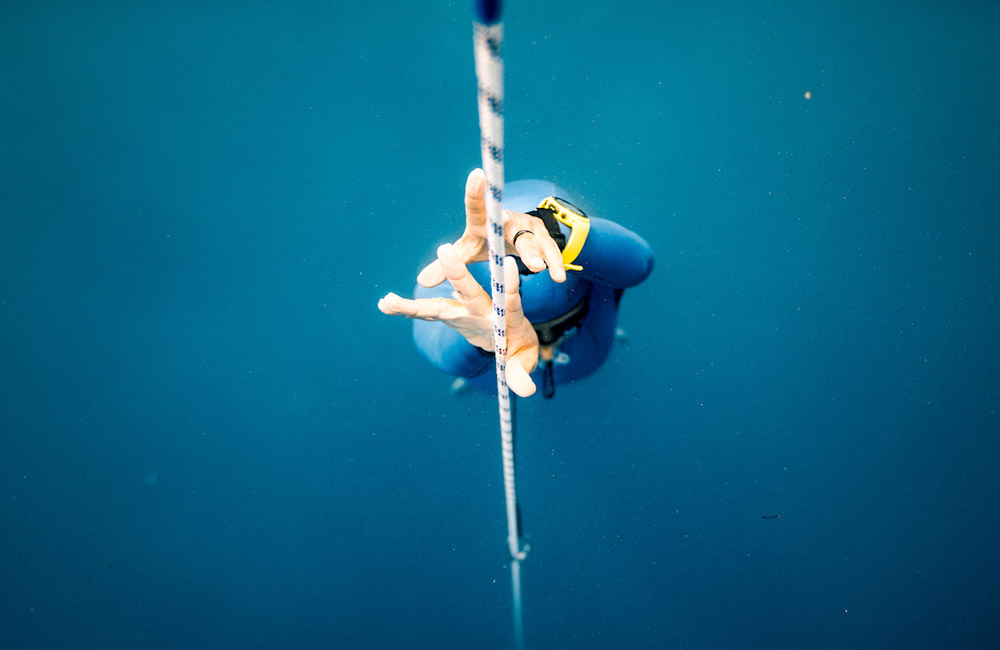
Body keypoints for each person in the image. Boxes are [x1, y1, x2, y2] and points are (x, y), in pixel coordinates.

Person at [378, 169, 653, 398]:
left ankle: (475, 359)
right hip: (586, 348)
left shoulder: (592, 264)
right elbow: (637, 264)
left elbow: (638, 263)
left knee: (465, 360)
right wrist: (481, 341)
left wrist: (562, 234)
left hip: (491, 375)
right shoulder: (453, 272)